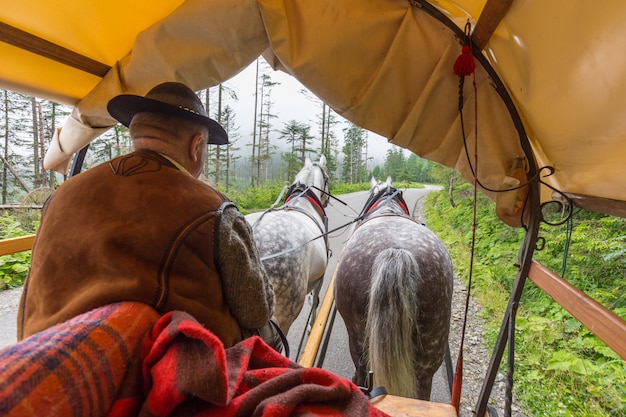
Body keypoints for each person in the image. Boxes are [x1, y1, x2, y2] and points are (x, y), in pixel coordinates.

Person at [17, 82, 282, 351]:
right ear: (195, 145)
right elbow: (255, 311)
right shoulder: (215, 208)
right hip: (159, 379)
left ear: (137, 134)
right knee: (269, 330)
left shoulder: (61, 195)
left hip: (46, 351)